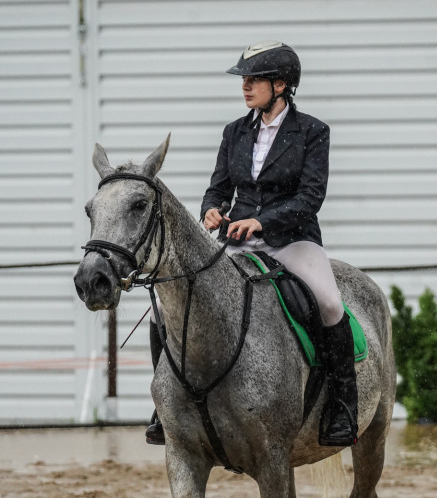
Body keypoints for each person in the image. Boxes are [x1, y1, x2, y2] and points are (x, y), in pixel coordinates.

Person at [146, 41, 358, 448]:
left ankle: (341, 407)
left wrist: (261, 220)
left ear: (281, 85)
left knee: (330, 304)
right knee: (162, 310)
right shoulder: (235, 132)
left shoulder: (313, 131)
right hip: (237, 243)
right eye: (244, 79)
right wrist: (212, 210)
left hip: (292, 240)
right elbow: (218, 188)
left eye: (254, 79)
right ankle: (165, 405)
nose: (245, 86)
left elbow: (310, 198)